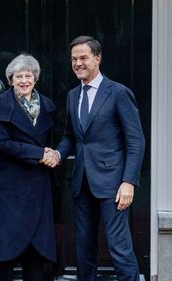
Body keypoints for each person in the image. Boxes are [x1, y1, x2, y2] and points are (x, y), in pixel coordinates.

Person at [53, 36, 145, 281]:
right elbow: (71, 136)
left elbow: (136, 141)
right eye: (74, 59)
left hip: (113, 184)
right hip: (81, 181)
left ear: (97, 58)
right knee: (83, 248)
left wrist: (129, 181)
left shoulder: (118, 93)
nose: (78, 63)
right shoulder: (73, 95)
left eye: (83, 58)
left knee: (119, 246)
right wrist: (58, 153)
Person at [0, 54, 59, 281]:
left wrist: (53, 154)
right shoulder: (0, 104)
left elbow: (56, 141)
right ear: (11, 80)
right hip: (7, 188)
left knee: (35, 255)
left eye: (28, 76)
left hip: (37, 186)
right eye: (18, 76)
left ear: (35, 79)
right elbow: (1, 145)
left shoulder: (49, 107)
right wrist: (39, 153)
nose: (24, 80)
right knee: (4, 254)